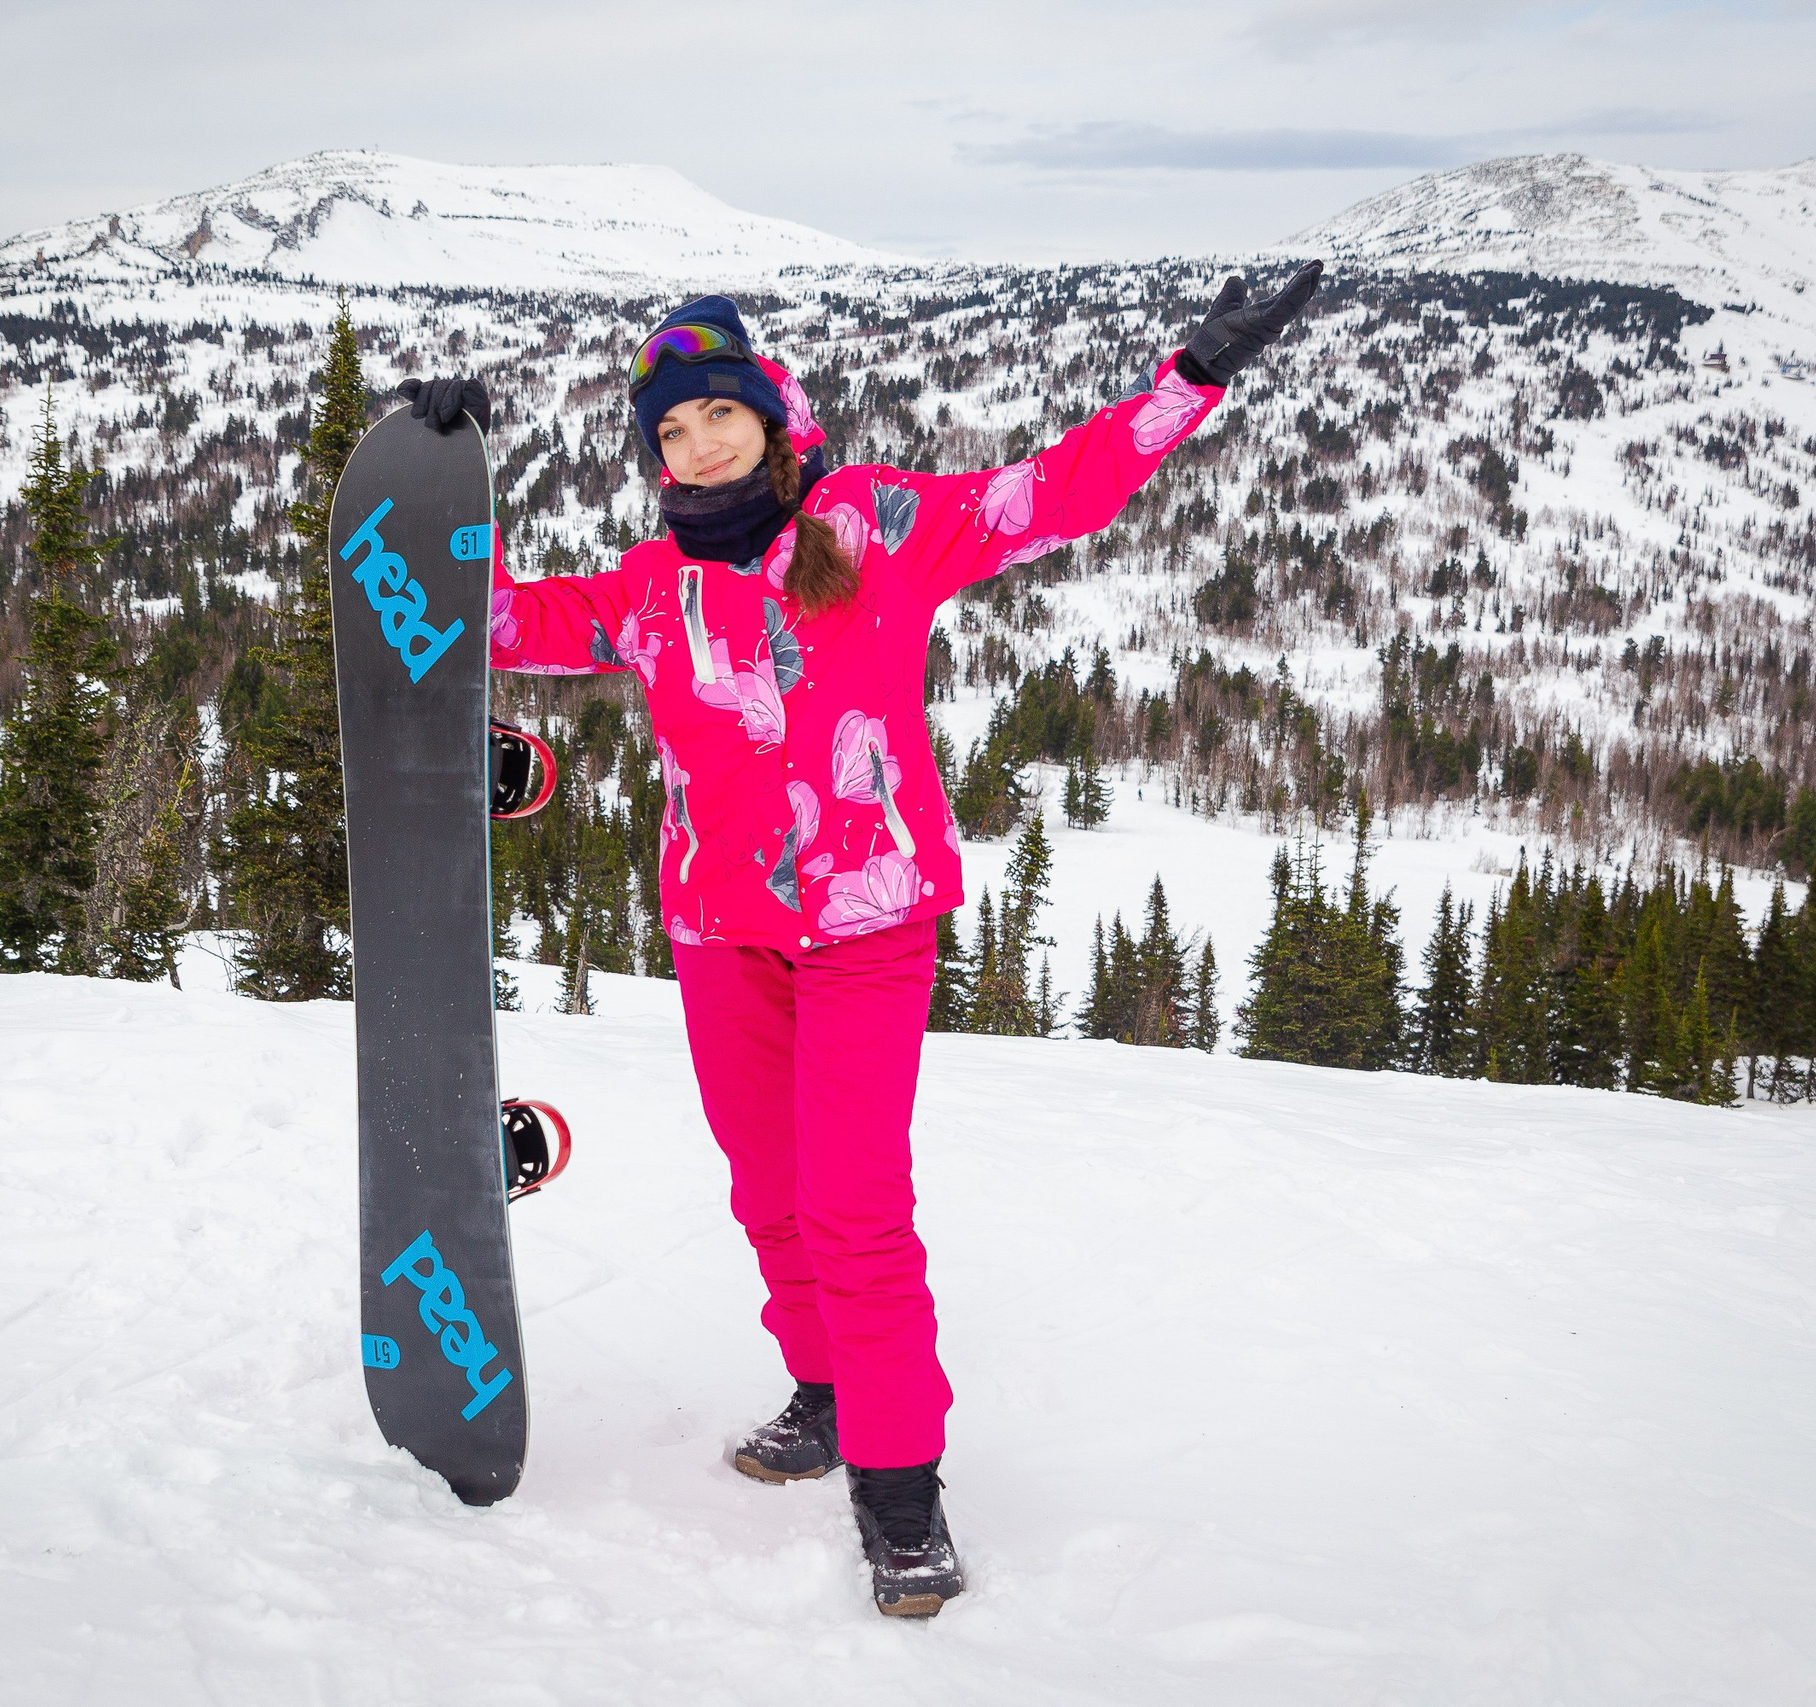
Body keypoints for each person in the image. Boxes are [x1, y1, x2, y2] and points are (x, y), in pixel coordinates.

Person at [402, 260, 1321, 1616]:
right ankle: (825, 1395)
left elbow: (1053, 493)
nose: (697, 444)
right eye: (668, 431)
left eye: (718, 414)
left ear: (775, 416)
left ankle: (900, 1494)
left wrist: (1195, 377)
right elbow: (494, 621)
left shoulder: (874, 524)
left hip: (865, 927)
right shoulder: (654, 592)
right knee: (769, 1196)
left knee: (853, 1212)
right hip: (722, 932)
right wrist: (436, 497)